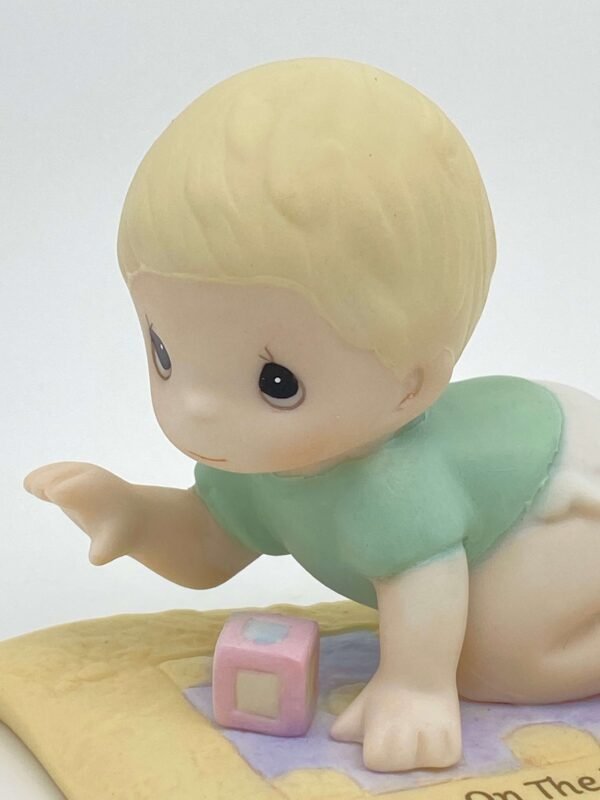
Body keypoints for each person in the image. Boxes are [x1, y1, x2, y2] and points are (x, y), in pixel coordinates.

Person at [24, 58, 600, 773]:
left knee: (489, 663)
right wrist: (134, 516)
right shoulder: (263, 461)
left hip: (551, 514)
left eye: (276, 382)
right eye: (164, 352)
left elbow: (428, 583)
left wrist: (415, 687)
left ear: (412, 384)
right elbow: (210, 549)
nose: (197, 407)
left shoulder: (389, 482)